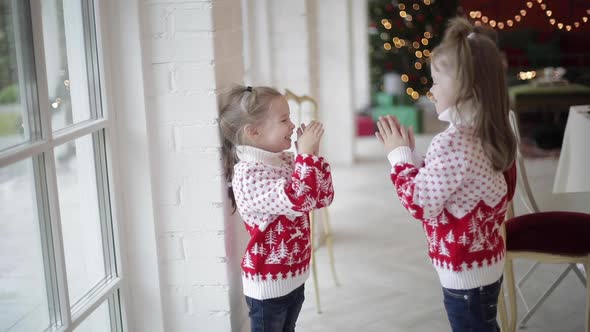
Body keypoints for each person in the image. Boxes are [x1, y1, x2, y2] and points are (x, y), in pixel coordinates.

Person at [375, 17, 517, 332]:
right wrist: (413, 158)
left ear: (467, 86)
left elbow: (419, 202)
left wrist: (398, 157)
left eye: (437, 81)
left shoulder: (452, 142)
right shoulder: (483, 131)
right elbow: (452, 181)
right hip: (485, 263)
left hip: (465, 272)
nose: (432, 90)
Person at [219, 85, 334, 332]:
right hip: (267, 286)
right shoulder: (248, 174)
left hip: (295, 275)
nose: (293, 126)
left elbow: (323, 197)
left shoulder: (287, 160)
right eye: (284, 119)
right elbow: (299, 199)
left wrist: (312, 155)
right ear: (254, 132)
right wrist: (305, 158)